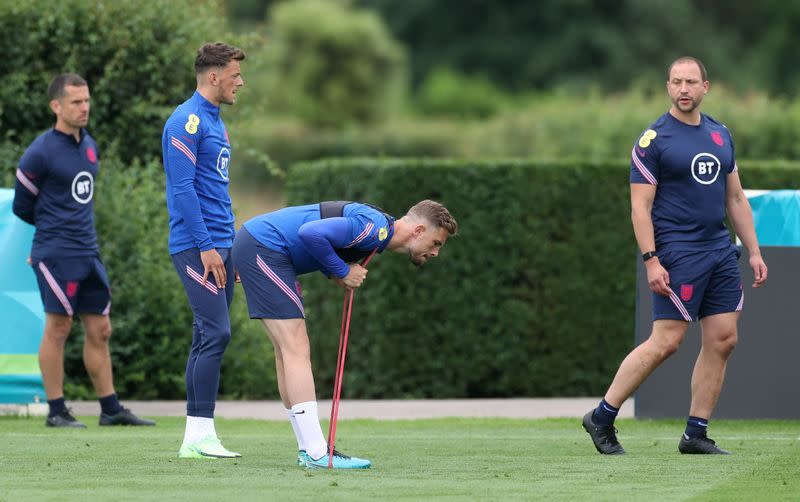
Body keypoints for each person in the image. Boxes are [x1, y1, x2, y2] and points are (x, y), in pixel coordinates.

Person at [582, 56, 767, 455]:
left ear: (705, 87)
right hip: (677, 252)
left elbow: (735, 197)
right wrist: (651, 259)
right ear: (668, 87)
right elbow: (639, 208)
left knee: (723, 339)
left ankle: (695, 434)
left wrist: (753, 250)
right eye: (677, 82)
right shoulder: (653, 140)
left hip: (720, 251)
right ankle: (602, 416)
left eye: (691, 82)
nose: (684, 89)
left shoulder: (720, 134)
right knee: (666, 341)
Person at [232, 200, 458, 468]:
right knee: (296, 349)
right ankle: (317, 452)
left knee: (286, 352)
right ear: (419, 230)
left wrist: (334, 272)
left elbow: (324, 236)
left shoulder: (378, 235)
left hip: (260, 245)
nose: (435, 253)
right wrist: (341, 271)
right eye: (436, 243)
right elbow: (310, 233)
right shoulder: (375, 229)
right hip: (265, 246)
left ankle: (309, 449)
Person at [12, 74, 155, 428]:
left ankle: (111, 409)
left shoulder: (89, 145)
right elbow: (21, 207)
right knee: (59, 327)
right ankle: (57, 411)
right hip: (55, 252)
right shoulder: (40, 152)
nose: (84, 107)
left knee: (101, 329)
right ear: (56, 106)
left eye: (87, 100)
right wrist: (49, 236)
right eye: (76, 102)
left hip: (88, 251)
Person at [161, 42, 245, 459]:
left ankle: (195, 438)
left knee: (204, 336)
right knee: (217, 333)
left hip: (221, 246)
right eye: (235, 75)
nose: (240, 83)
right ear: (213, 76)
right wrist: (208, 246)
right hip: (197, 247)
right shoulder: (186, 121)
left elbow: (217, 190)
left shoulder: (216, 122)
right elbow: (183, 189)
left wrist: (231, 248)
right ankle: (201, 436)